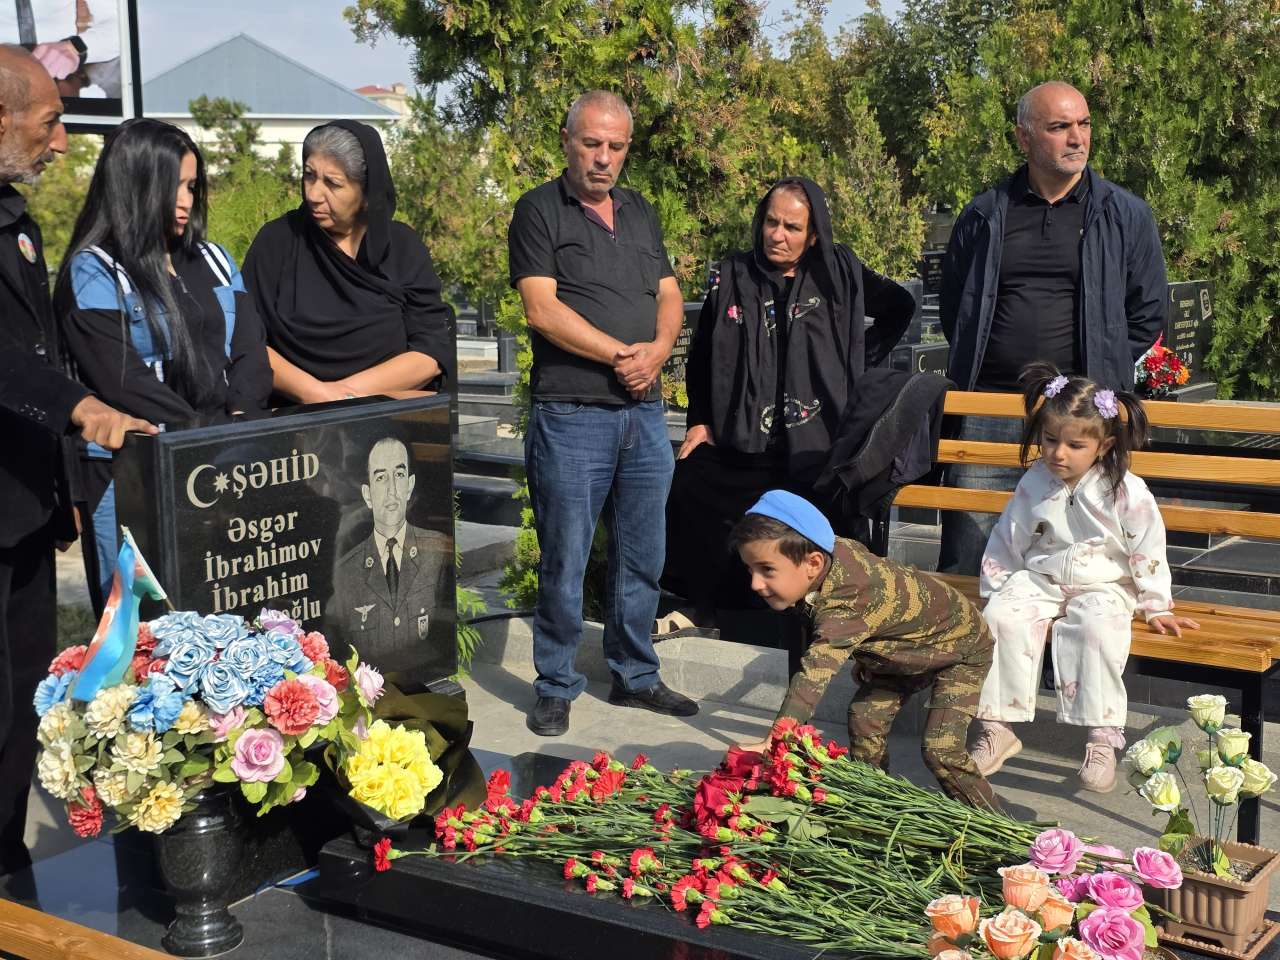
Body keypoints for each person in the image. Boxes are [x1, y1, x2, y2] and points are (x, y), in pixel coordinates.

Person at [0, 45, 154, 876]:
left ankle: (8, 864)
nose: (61, 143)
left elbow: (39, 347)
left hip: (22, 505)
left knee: (23, 696)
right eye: (51, 121)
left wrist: (62, 483)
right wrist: (81, 407)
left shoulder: (14, 220)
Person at [508, 89, 696, 736]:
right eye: (591, 143)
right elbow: (542, 309)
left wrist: (660, 351)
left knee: (644, 554)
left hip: (643, 415)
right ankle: (556, 683)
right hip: (572, 414)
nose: (603, 157)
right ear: (568, 142)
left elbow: (669, 294)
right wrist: (622, 355)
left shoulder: (640, 212)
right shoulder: (539, 211)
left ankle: (636, 676)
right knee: (565, 556)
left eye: (615, 146)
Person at [661, 176, 915, 633]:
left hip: (817, 436)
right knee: (693, 482)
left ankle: (825, 614)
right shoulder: (735, 274)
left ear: (813, 234)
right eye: (771, 223)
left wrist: (854, 363)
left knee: (827, 508)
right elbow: (702, 356)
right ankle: (709, 607)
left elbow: (899, 306)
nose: (778, 235)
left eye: (792, 227)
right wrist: (699, 421)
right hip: (745, 434)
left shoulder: (840, 272)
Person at [937, 80, 1168, 577]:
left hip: (1081, 416)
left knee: (1080, 562)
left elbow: (1149, 311)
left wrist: (1094, 378)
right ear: (1024, 137)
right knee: (971, 554)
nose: (1077, 138)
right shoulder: (985, 214)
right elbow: (958, 308)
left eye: (1084, 124)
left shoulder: (1124, 214)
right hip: (992, 407)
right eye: (1060, 126)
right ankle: (965, 632)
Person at [56, 118, 272, 612]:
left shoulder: (215, 259)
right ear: (135, 183)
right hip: (134, 475)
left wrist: (236, 427)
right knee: (147, 628)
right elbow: (122, 379)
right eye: (172, 185)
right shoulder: (94, 271)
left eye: (192, 186)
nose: (185, 201)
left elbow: (250, 351)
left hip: (225, 465)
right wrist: (199, 435)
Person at [968, 363, 1198, 792]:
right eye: (1050, 440)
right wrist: (997, 588)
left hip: (1105, 584)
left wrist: (1155, 605)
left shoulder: (1124, 489)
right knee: (1000, 618)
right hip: (1043, 576)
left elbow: (1148, 547)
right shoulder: (1035, 483)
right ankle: (997, 726)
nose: (1059, 454)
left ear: (1103, 445)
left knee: (1095, 630)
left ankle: (1102, 738)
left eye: (1075, 445)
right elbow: (1009, 536)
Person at [733, 490, 1001, 811]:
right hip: (907, 648)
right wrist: (872, 652)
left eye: (766, 569)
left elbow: (815, 673)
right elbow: (878, 617)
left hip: (962, 646)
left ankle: (1001, 827)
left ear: (813, 563)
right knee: (865, 718)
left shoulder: (847, 598)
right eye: (749, 570)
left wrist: (777, 738)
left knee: (941, 750)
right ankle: (876, 805)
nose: (754, 584)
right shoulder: (826, 555)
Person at [242, 120, 452, 406]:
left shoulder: (403, 248)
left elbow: (431, 351)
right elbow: (247, 338)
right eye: (309, 176)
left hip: (386, 416)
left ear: (366, 194)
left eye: (333, 183)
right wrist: (314, 394)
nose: (314, 195)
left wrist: (342, 397)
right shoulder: (277, 241)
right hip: (291, 418)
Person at [333, 436, 449, 666]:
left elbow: (441, 636)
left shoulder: (436, 551)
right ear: (367, 494)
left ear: (410, 486)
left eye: (399, 475)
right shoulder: (347, 571)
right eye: (381, 478)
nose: (392, 490)